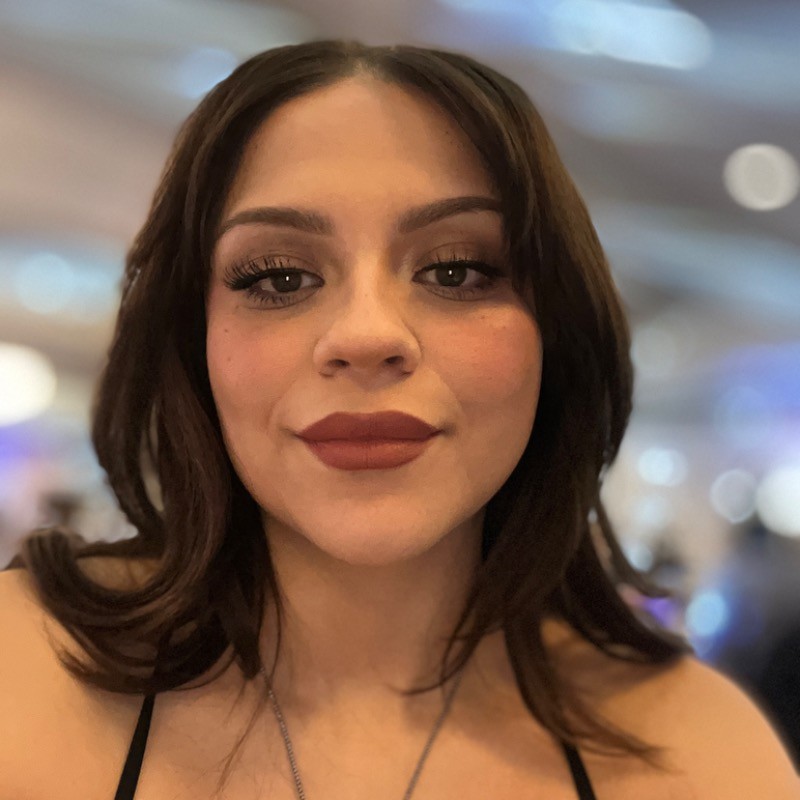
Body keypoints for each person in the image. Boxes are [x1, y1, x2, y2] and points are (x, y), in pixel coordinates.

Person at [1, 39, 797, 800]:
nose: (366, 336)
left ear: (557, 334)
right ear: (192, 338)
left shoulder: (701, 757)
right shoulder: (21, 674)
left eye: (456, 270)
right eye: (278, 277)